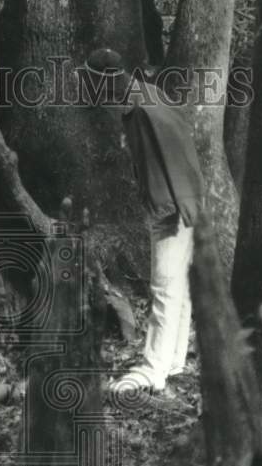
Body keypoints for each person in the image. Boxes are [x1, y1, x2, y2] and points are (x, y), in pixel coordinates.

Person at [81, 47, 204, 395]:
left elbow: (175, 154)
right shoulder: (146, 96)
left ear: (108, 81)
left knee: (164, 288)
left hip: (172, 206)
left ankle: (153, 370)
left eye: (94, 83)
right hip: (181, 203)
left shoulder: (145, 111)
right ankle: (173, 360)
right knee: (178, 287)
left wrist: (179, 207)